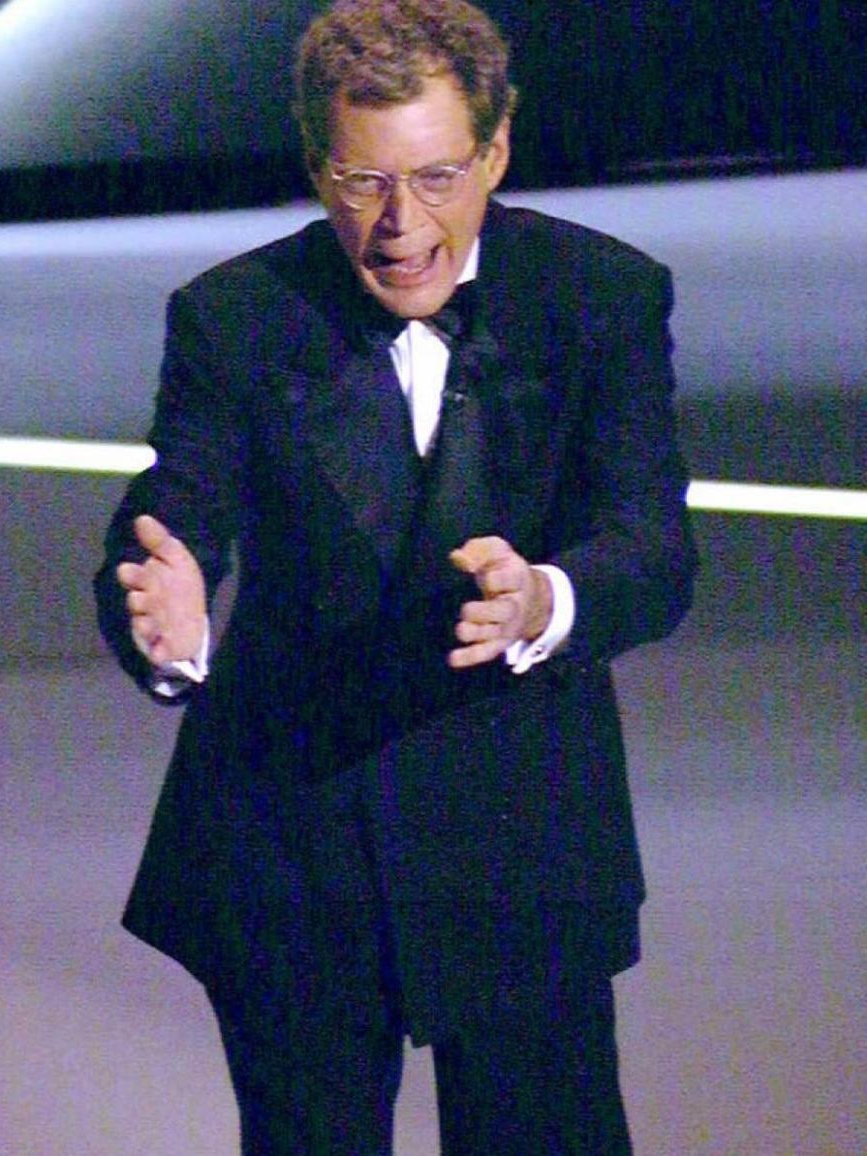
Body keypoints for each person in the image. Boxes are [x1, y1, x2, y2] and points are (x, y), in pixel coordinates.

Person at [94, 1, 697, 1151]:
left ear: (498, 149)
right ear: (318, 166)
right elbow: (176, 510)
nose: (399, 227)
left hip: (523, 843)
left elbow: (654, 547)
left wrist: (548, 600)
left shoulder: (601, 295)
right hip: (296, 845)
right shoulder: (233, 318)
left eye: (436, 177)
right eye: (363, 183)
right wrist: (166, 624)